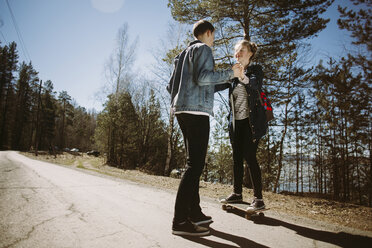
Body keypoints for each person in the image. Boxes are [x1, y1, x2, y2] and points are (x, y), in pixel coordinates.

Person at [167, 20, 243, 236]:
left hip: (181, 111)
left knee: (194, 164)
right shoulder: (204, 49)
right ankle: (180, 221)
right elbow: (203, 78)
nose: (214, 41)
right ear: (208, 33)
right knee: (194, 166)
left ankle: (194, 212)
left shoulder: (182, 55)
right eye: (214, 36)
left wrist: (228, 81)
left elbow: (172, 85)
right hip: (196, 112)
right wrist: (230, 73)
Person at [219, 40, 267, 211]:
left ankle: (258, 199)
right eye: (236, 51)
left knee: (251, 158)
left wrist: (240, 75)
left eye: (242, 50)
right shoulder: (233, 74)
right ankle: (237, 193)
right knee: (236, 159)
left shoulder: (255, 71)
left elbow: (254, 84)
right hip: (236, 124)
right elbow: (215, 85)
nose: (238, 53)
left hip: (251, 123)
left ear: (250, 53)